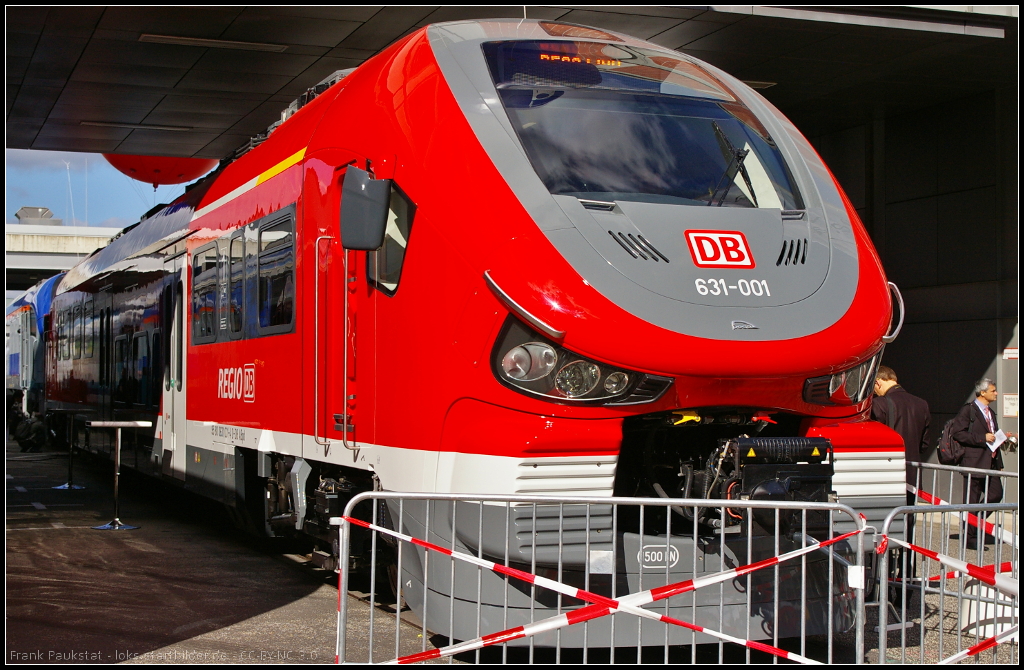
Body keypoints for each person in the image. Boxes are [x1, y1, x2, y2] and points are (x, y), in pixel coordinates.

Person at [950, 378, 1006, 550]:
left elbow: (993, 436)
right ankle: (970, 537)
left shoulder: (991, 413)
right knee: (972, 499)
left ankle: (975, 523)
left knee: (996, 494)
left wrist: (999, 460)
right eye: (993, 391)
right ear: (983, 393)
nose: (996, 393)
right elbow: (958, 433)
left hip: (991, 463)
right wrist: (982, 438)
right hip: (974, 462)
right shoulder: (969, 411)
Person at [871, 365, 931, 507]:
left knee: (888, 519)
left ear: (878, 382)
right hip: (912, 473)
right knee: (908, 518)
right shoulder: (922, 404)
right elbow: (924, 444)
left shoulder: (879, 404)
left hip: (887, 472)